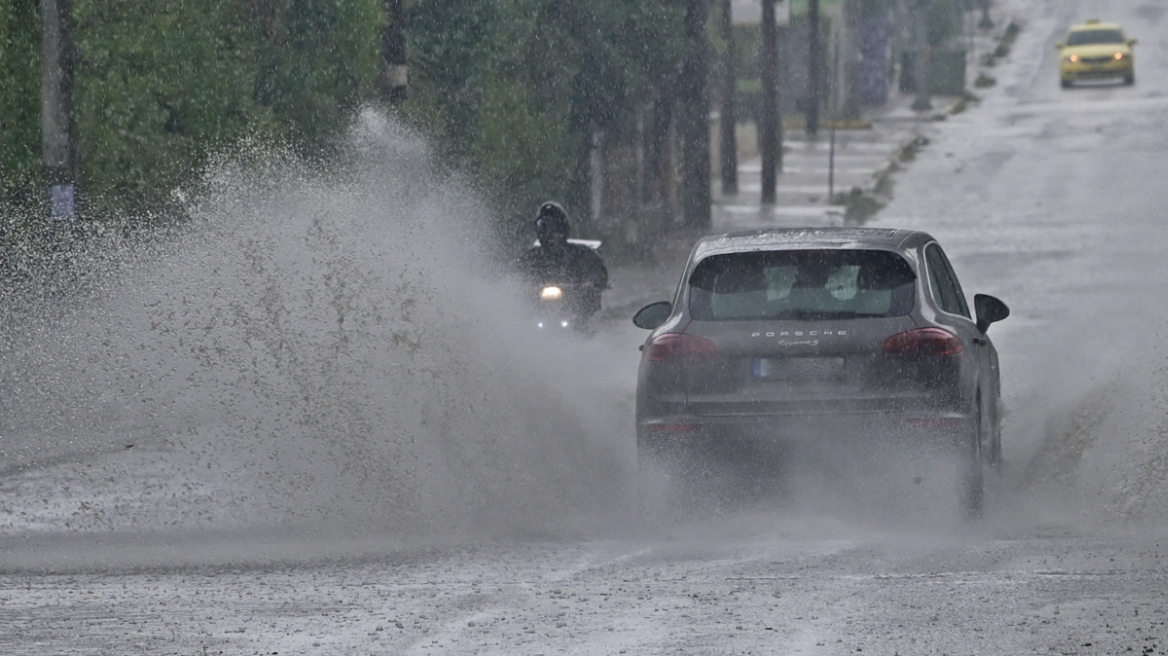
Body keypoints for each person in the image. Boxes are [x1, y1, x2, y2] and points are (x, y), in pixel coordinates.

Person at [515, 201, 608, 324]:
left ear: (564, 230)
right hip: (539, 310)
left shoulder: (582, 254)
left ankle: (587, 334)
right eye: (546, 230)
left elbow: (597, 271)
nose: (552, 235)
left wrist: (591, 283)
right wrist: (517, 286)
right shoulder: (531, 257)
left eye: (555, 230)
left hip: (575, 309)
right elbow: (515, 274)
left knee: (592, 321)